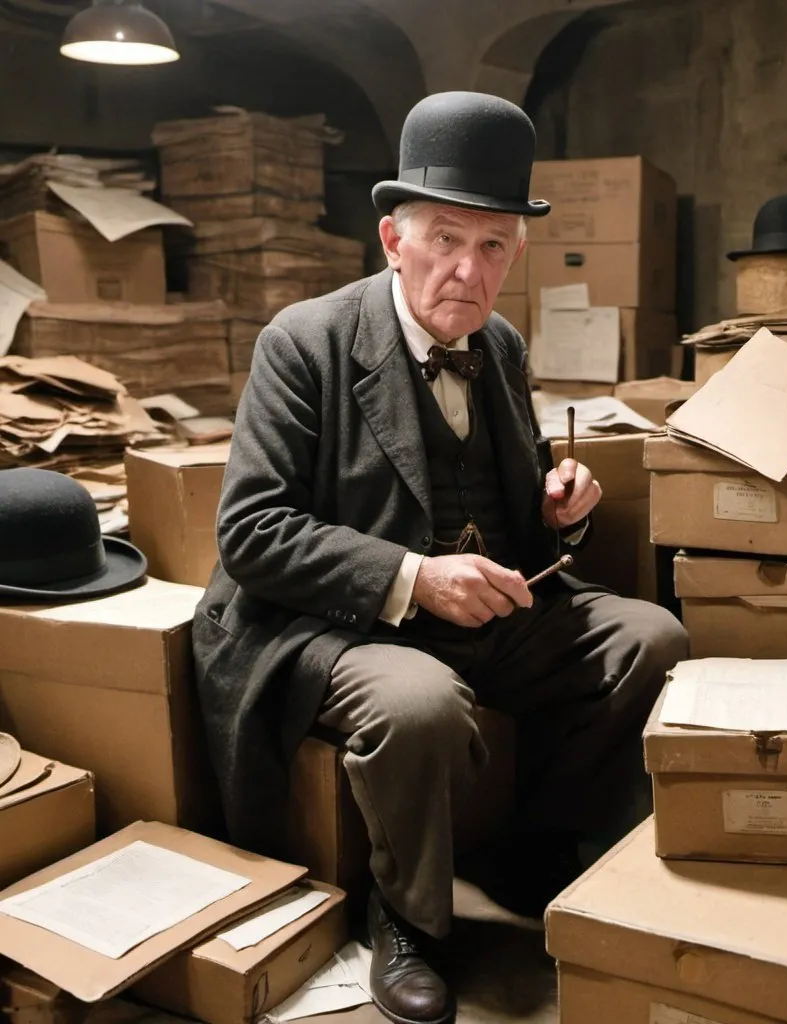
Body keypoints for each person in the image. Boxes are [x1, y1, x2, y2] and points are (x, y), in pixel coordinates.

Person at [193, 91, 689, 1024]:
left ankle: (538, 849)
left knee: (649, 637)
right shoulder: (302, 342)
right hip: (337, 623)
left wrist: (561, 509)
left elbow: (507, 512)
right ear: (392, 239)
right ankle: (411, 919)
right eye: (445, 239)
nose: (469, 269)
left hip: (481, 608)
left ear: (518, 253)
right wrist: (414, 578)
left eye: (493, 246)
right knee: (418, 704)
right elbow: (252, 531)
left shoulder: (498, 344)